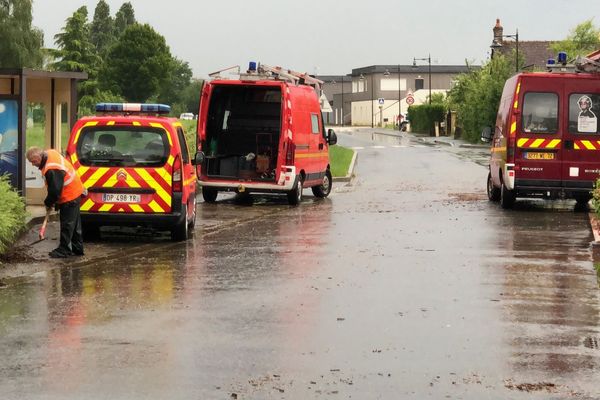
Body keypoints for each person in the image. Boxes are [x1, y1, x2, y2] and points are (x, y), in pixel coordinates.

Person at [26, 146, 85, 258]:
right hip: (75, 191)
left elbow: (55, 191)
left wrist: (48, 202)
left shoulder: (52, 168)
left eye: (34, 161)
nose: (33, 165)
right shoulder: (49, 153)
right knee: (74, 223)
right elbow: (56, 188)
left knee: (67, 224)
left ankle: (64, 250)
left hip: (70, 195)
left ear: (40, 156)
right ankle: (77, 248)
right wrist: (53, 201)